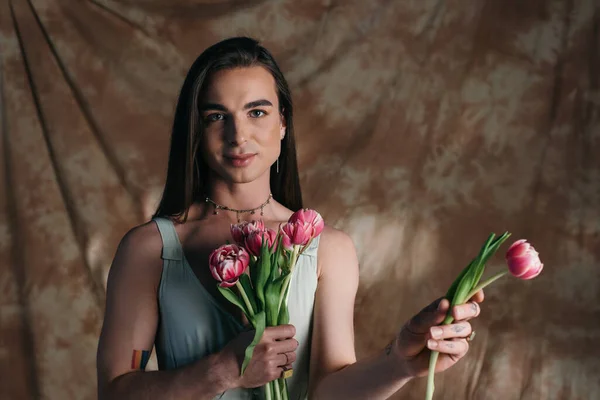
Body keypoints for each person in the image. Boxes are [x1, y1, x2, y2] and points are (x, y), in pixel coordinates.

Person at [96, 37, 484, 400]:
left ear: (283, 122)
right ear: (196, 130)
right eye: (217, 116)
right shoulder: (151, 249)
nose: (238, 135)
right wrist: (220, 372)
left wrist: (400, 362)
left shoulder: (328, 248)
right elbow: (115, 391)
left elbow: (328, 391)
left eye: (257, 112)